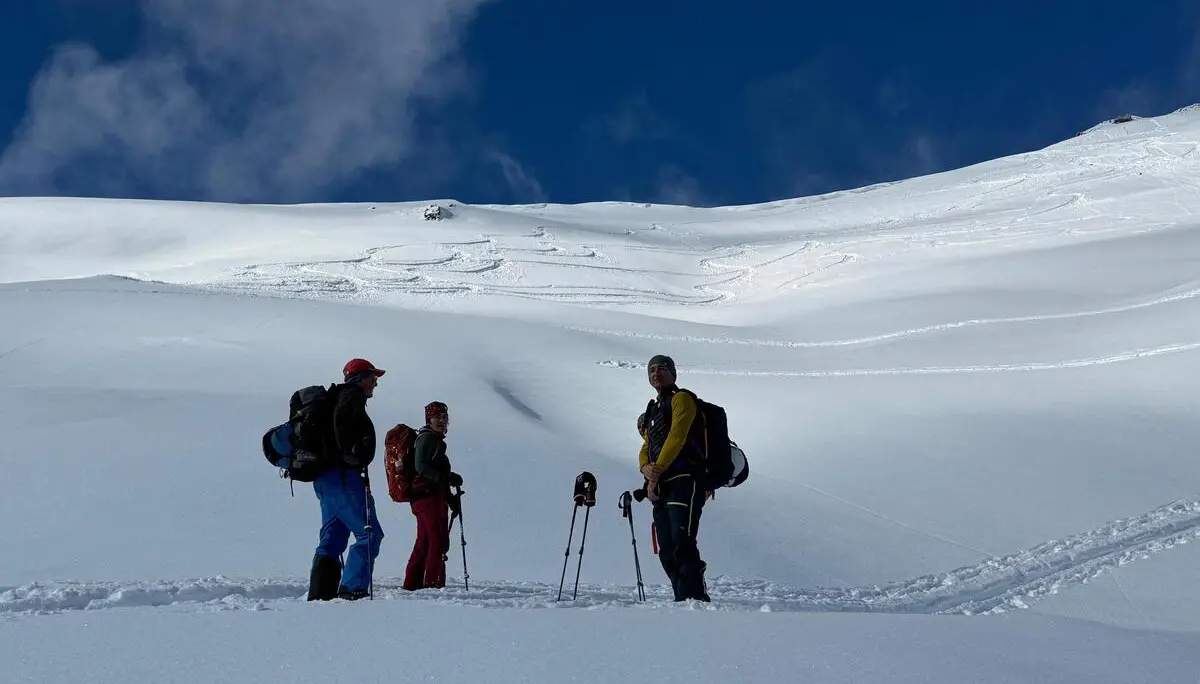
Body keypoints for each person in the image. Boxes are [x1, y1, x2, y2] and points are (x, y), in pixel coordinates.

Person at [306, 358, 386, 601]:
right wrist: (353, 452)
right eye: (373, 378)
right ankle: (353, 589)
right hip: (343, 477)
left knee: (332, 538)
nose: (375, 384)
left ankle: (321, 594)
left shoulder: (336, 397)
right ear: (360, 378)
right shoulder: (352, 395)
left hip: (325, 478)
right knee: (369, 534)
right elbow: (342, 423)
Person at [638, 354, 711, 602]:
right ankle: (682, 600)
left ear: (673, 373)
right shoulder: (654, 410)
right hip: (662, 484)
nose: (656, 373)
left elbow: (677, 437)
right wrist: (645, 468)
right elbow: (647, 445)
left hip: (685, 479)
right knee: (667, 548)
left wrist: (655, 472)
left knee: (682, 541)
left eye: (662, 368)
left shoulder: (682, 399)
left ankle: (693, 600)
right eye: (652, 370)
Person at [403, 401, 463, 590]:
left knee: (425, 541)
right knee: (437, 540)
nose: (442, 421)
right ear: (429, 419)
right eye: (437, 417)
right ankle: (432, 584)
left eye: (445, 417)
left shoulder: (432, 440)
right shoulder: (428, 439)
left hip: (426, 497)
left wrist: (450, 498)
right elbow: (421, 467)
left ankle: (413, 584)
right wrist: (446, 478)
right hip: (428, 497)